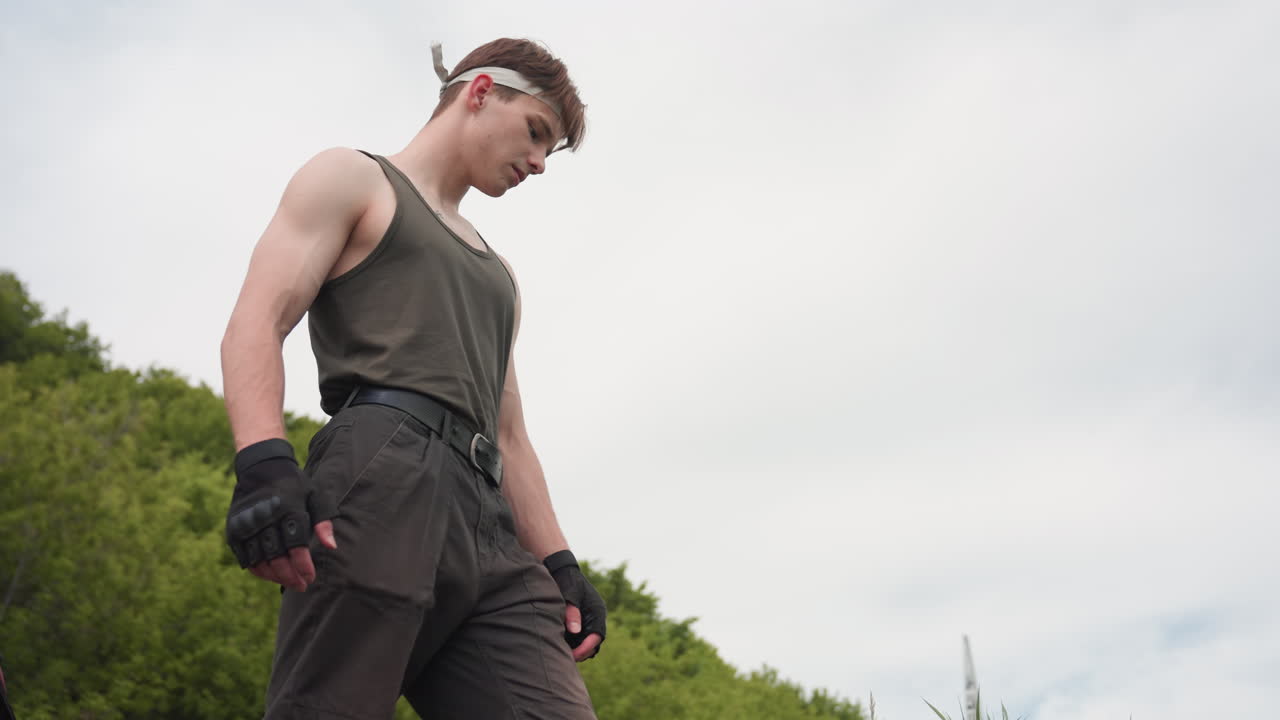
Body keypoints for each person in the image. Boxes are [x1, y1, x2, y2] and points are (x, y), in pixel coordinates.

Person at [220, 38, 605, 720]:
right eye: (537, 133)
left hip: (488, 522)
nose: (541, 163)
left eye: (552, 151)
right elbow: (259, 318)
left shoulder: (498, 274)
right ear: (481, 92)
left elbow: (510, 434)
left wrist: (560, 561)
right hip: (383, 475)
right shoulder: (354, 179)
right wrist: (263, 460)